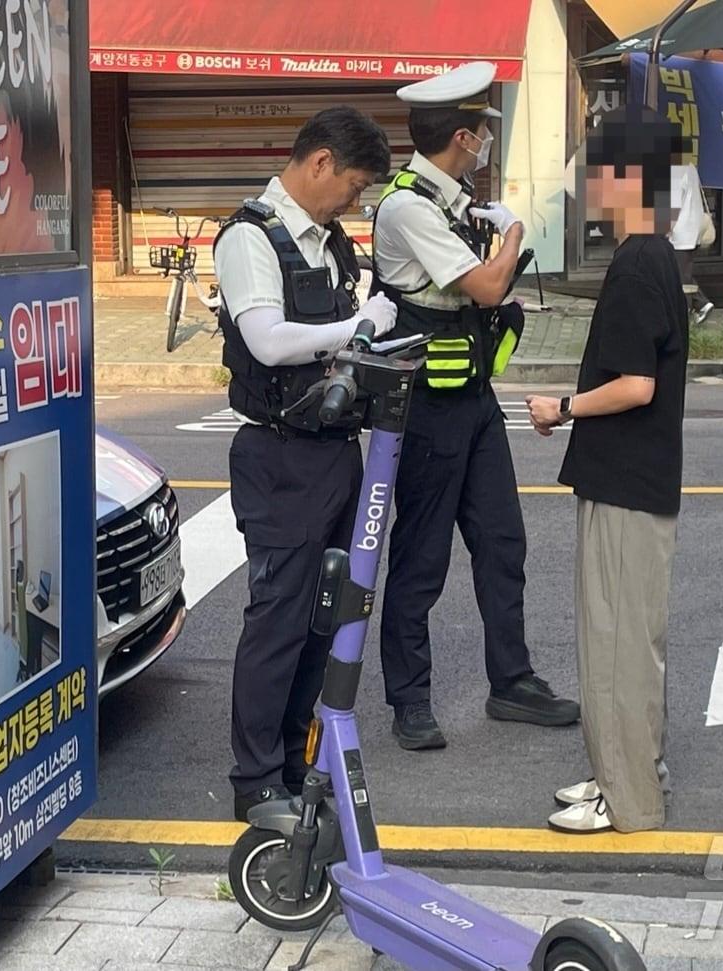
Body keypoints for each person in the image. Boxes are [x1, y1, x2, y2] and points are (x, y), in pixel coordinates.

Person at [371, 61, 579, 750]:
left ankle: (511, 681)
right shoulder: (407, 207)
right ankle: (410, 700)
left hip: (474, 399)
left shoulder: (452, 197)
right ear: (462, 136)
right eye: (483, 130)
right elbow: (487, 288)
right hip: (426, 403)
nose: (488, 141)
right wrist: (515, 234)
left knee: (501, 543)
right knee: (422, 556)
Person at [212, 106, 396, 819]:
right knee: (278, 620)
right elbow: (265, 339)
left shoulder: (328, 241)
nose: (354, 201)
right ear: (318, 162)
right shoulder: (251, 237)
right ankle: (255, 781)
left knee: (326, 617)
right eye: (351, 185)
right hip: (278, 457)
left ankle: (293, 762)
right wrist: (357, 326)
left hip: (333, 452)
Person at [526, 104, 687, 834]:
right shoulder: (653, 255)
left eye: (593, 169)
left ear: (623, 177)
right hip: (635, 477)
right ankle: (624, 776)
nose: (584, 183)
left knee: (617, 644)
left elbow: (635, 385)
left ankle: (627, 802)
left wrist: (560, 405)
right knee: (628, 641)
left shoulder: (634, 264)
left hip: (624, 479)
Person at [668, 155, 714, 327]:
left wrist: (666, 228)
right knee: (682, 273)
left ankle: (692, 310)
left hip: (680, 233)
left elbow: (673, 203)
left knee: (681, 278)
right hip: (693, 228)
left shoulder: (675, 170)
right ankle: (700, 303)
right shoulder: (690, 167)